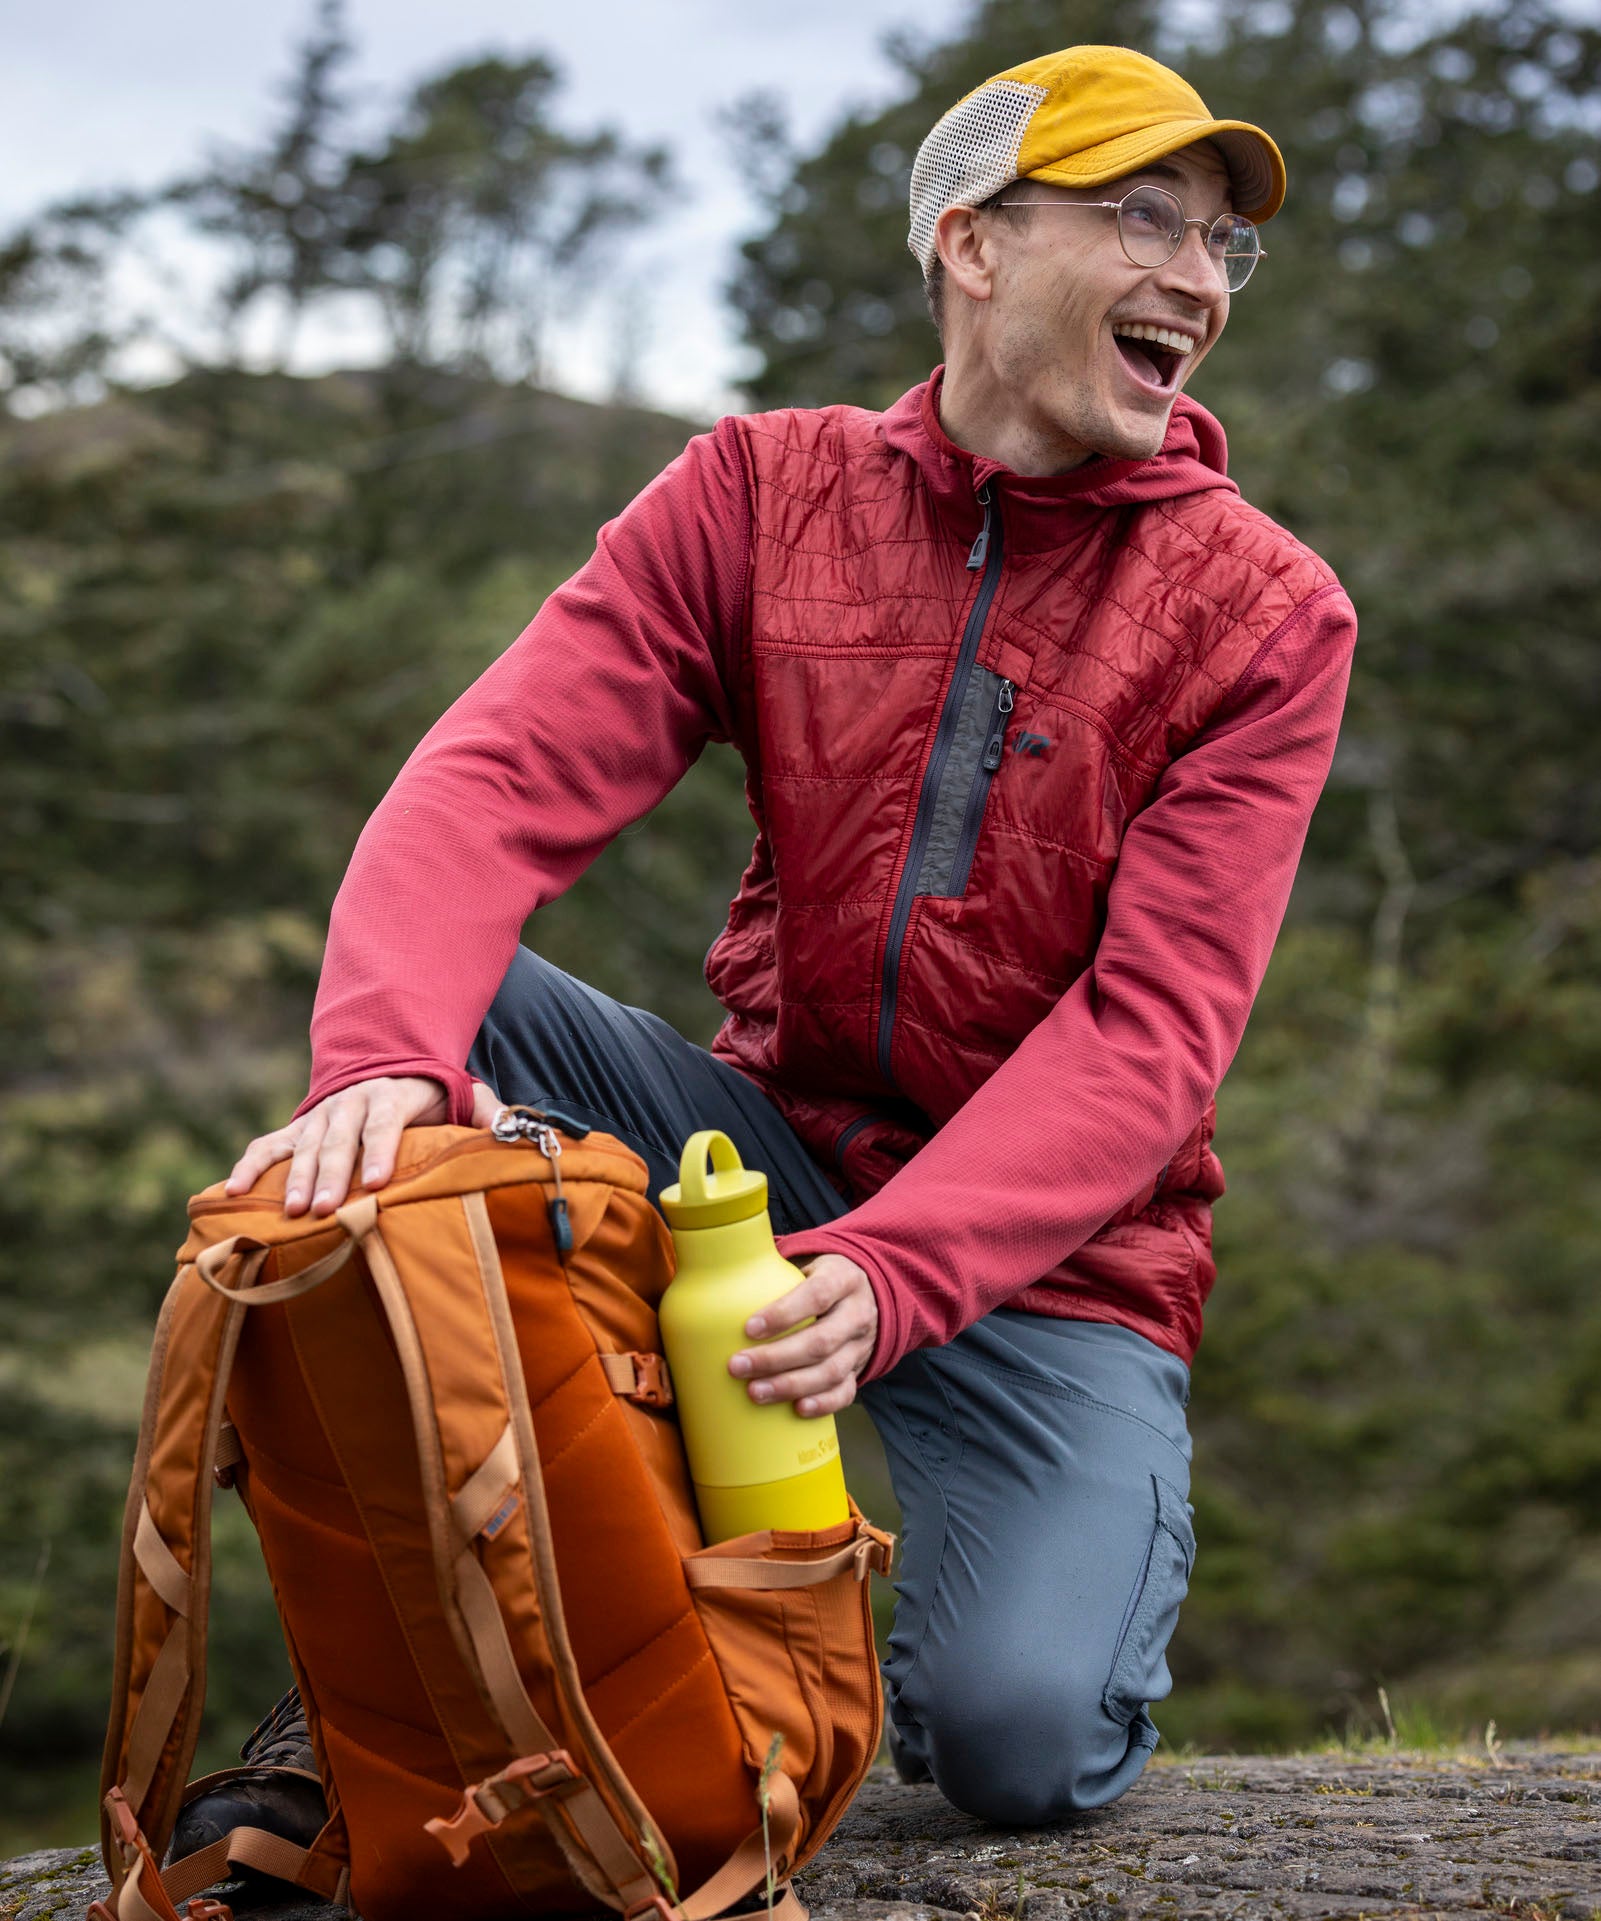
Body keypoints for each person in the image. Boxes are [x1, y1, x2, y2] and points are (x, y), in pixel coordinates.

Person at [177, 43, 1356, 1856]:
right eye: (1142, 220)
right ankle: (402, 1687)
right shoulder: (757, 496)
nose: (1198, 277)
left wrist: (895, 1273)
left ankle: (800, 1656)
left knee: (1020, 1744)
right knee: (431, 1023)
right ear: (970, 242)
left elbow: (1151, 1035)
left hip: (1051, 1261)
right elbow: (487, 781)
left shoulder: (1264, 613)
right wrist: (380, 1067)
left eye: (1217, 245)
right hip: (744, 1162)